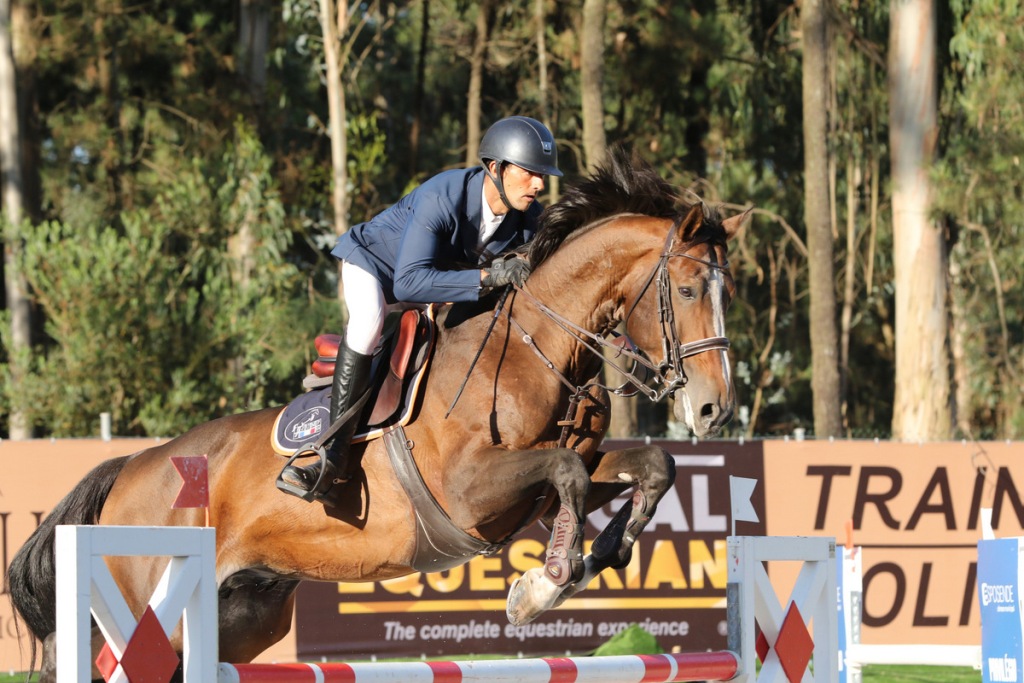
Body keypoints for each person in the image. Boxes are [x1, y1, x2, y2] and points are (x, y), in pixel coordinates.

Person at [279, 115, 562, 502]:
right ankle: (331, 457)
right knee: (368, 323)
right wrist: (486, 279)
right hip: (376, 269)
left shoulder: (528, 220)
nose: (539, 184)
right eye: (530, 173)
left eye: (542, 176)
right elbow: (408, 283)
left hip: (436, 284)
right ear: (496, 168)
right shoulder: (442, 197)